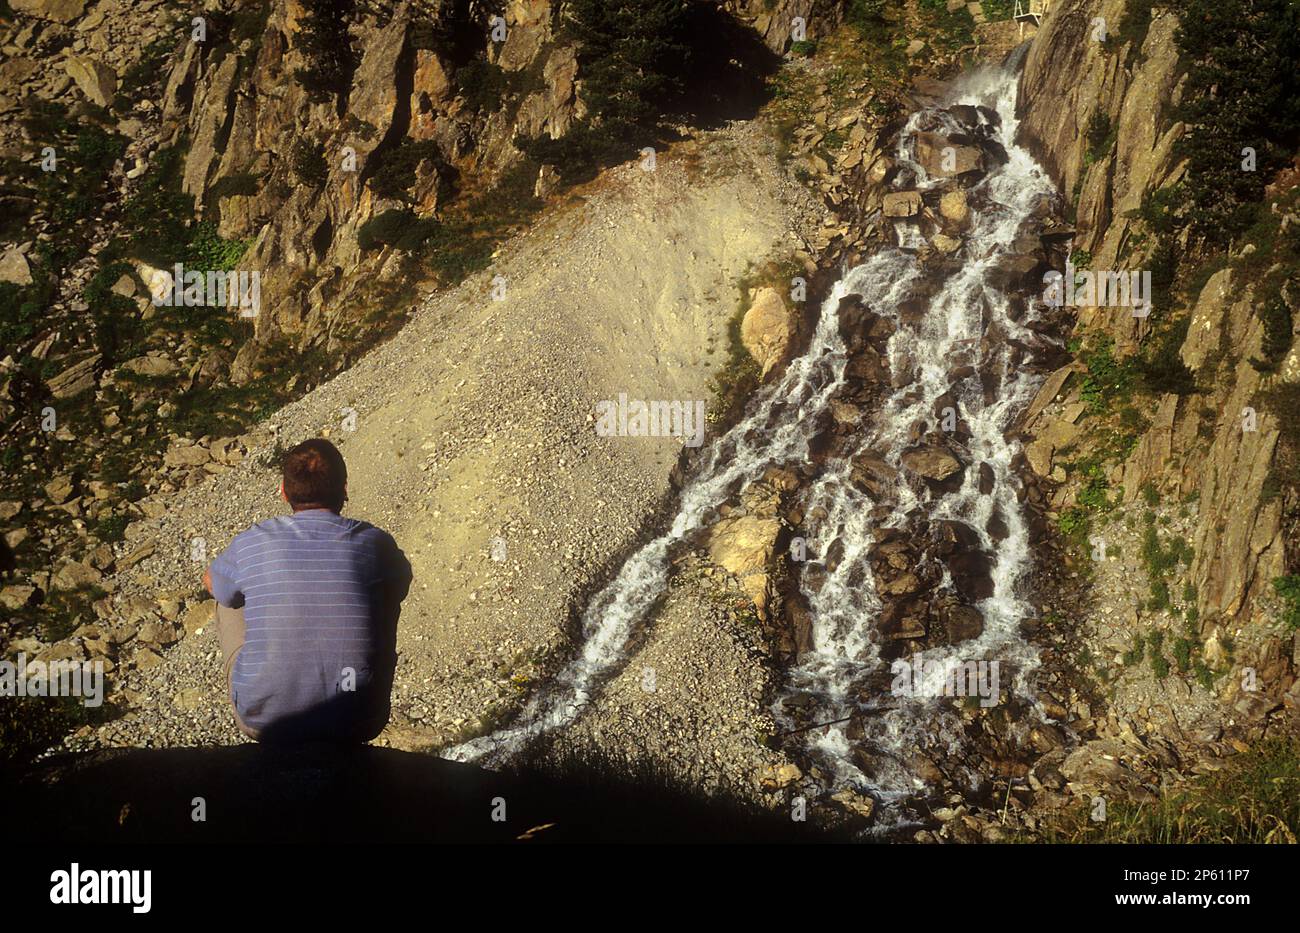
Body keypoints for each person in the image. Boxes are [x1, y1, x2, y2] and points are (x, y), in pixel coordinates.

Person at [203, 438, 411, 743]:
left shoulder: (252, 541)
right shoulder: (375, 543)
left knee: (228, 596)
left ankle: (268, 688)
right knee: (385, 591)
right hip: (359, 720)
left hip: (263, 721)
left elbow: (210, 582)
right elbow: (401, 587)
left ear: (283, 491)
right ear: (344, 489)